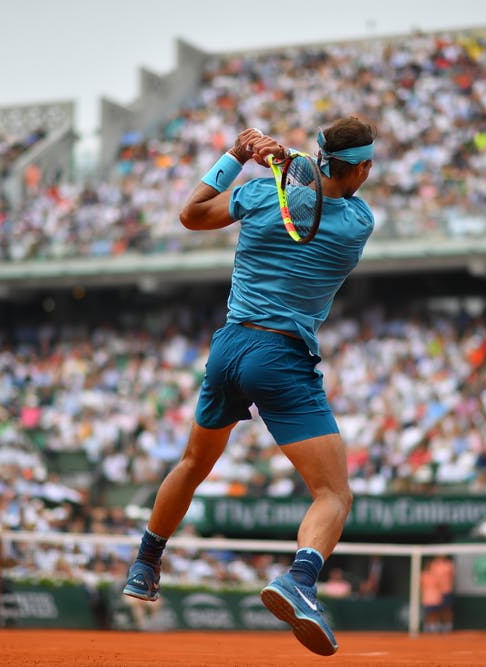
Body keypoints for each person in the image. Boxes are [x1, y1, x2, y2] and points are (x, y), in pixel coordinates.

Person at [122, 117, 378, 657]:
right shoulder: (357, 220)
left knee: (193, 464)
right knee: (334, 493)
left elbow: (191, 215)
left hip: (228, 348)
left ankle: (145, 565)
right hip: (281, 355)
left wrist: (238, 155)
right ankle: (301, 580)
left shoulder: (261, 193)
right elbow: (312, 193)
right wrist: (286, 165)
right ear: (361, 167)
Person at [420, 555, 455, 633]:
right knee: (430, 612)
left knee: (445, 610)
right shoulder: (427, 571)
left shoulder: (449, 564)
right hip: (430, 596)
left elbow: (451, 577)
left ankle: (446, 627)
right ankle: (431, 627)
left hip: (443, 592)